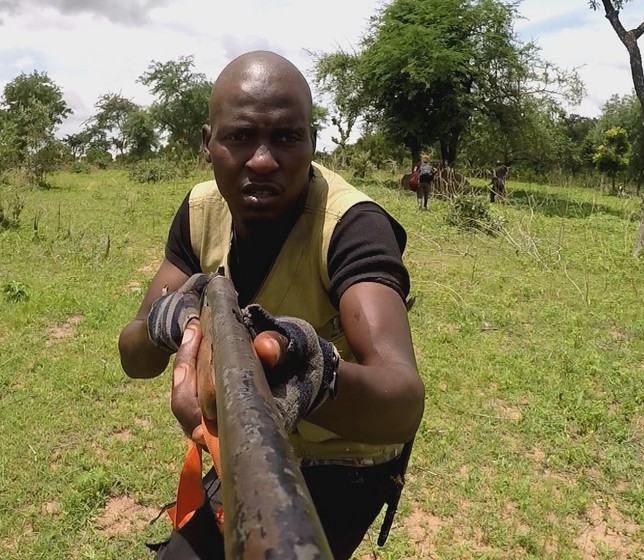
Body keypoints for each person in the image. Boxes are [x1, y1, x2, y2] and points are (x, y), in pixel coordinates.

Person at [117, 50, 425, 560]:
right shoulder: (200, 212)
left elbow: (401, 403)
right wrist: (161, 323)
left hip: (344, 459)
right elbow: (133, 358)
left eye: (286, 137)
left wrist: (316, 371)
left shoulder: (352, 226)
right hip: (248, 443)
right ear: (207, 143)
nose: (263, 159)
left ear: (311, 142)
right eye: (239, 137)